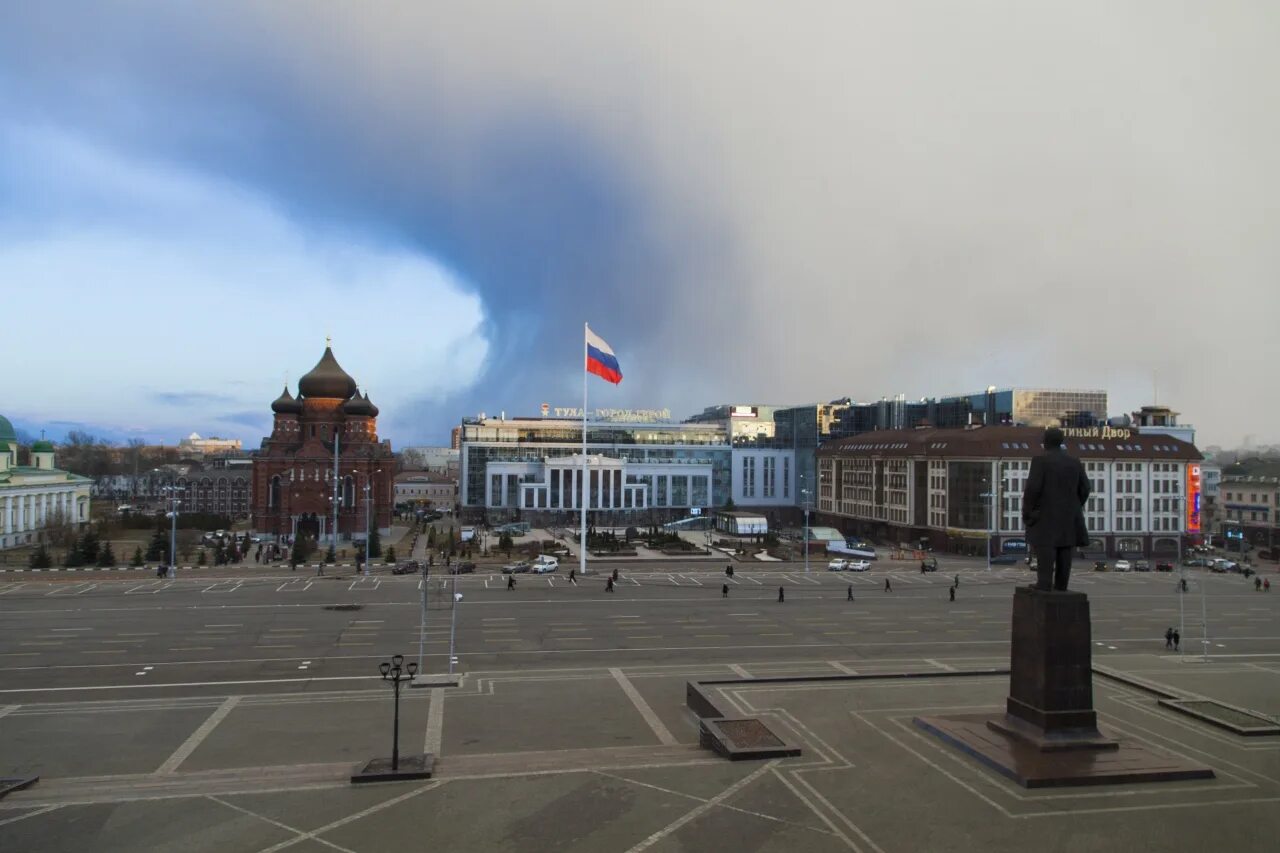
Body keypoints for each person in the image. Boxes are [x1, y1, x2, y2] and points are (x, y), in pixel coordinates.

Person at [1023, 426, 1091, 592]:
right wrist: (1074, 505)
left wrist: (1028, 512)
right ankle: (1062, 585)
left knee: (1045, 548)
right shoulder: (1074, 462)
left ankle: (1044, 583)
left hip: (1046, 516)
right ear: (1061, 442)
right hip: (1069, 516)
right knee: (1065, 549)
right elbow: (1086, 488)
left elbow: (1033, 489)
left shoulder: (1040, 461)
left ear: (1045, 442)